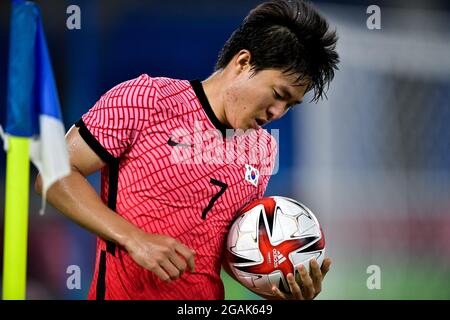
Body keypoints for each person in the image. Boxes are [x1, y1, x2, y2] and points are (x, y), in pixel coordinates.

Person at [35, 0, 339, 300]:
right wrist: (133, 238)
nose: (278, 112)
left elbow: (229, 250)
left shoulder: (262, 147)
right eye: (278, 94)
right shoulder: (147, 99)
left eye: (290, 105)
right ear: (243, 62)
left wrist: (279, 284)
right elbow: (52, 174)